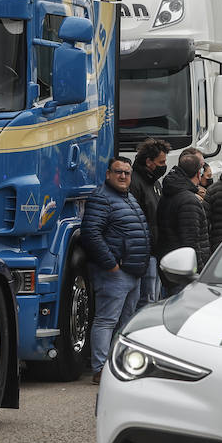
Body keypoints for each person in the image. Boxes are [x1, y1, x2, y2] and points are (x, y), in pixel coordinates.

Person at [81, 157, 151, 383]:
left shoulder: (127, 197)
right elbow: (91, 234)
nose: (123, 176)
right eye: (118, 172)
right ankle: (100, 369)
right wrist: (111, 264)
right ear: (108, 174)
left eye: (127, 173)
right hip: (115, 274)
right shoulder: (102, 198)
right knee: (106, 321)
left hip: (132, 272)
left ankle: (115, 366)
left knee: (125, 322)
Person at [156, 148, 210, 295]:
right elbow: (191, 243)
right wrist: (199, 273)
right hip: (185, 275)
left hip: (171, 269)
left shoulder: (169, 193)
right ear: (198, 173)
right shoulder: (188, 201)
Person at [129, 137, 170, 306]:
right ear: (149, 162)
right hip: (145, 253)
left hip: (155, 252)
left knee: (154, 299)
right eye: (161, 162)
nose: (164, 166)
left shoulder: (155, 182)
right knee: (146, 301)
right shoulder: (136, 183)